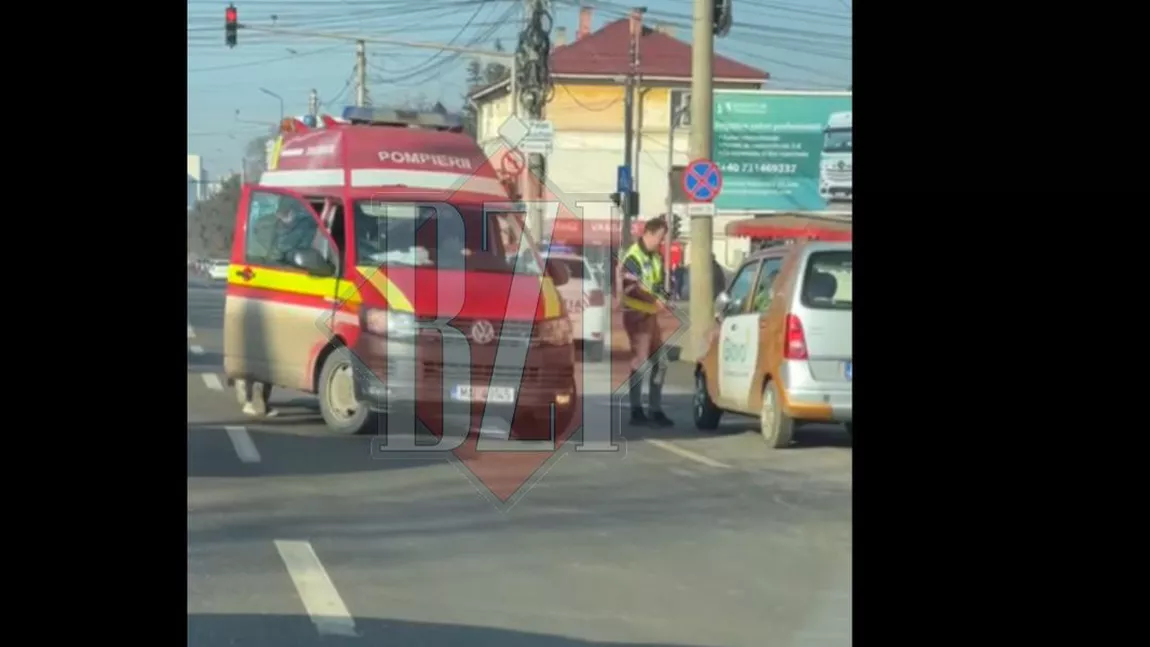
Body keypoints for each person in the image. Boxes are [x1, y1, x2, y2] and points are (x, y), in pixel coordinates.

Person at [617, 217, 673, 427]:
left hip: (651, 314)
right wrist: (654, 300)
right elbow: (631, 288)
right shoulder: (633, 256)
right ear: (648, 233)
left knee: (661, 362)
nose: (660, 242)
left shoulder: (655, 257)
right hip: (636, 315)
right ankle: (636, 410)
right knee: (640, 363)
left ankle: (655, 409)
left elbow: (657, 284)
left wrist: (666, 297)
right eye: (659, 238)